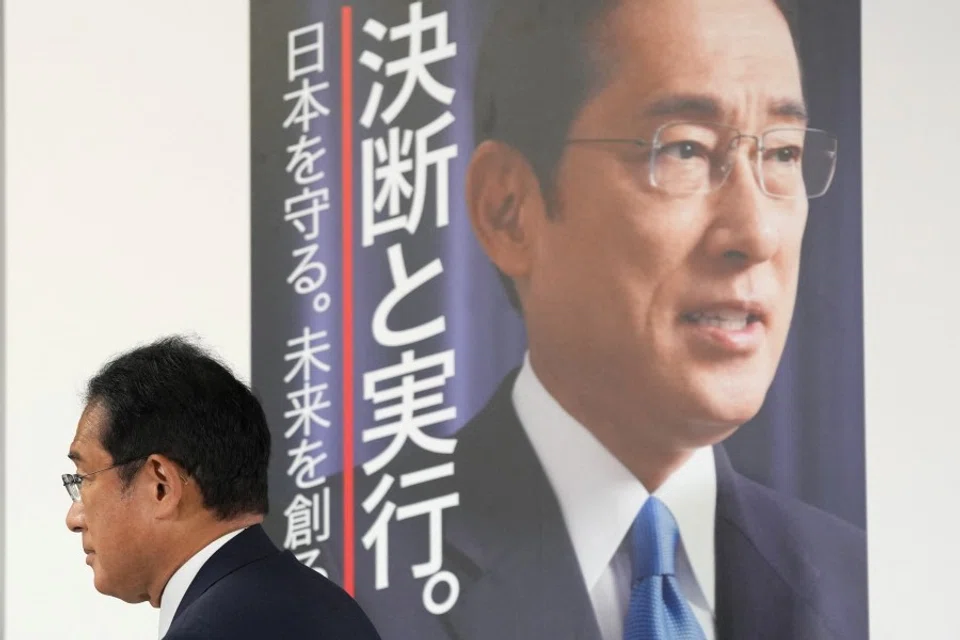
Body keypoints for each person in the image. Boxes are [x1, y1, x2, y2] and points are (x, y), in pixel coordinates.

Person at [320, 0, 869, 637]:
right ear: (509, 209)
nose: (757, 232)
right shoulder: (334, 571)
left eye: (782, 153)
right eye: (685, 149)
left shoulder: (864, 584)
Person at [63, 336, 383, 640]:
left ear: (161, 486)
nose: (73, 518)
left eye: (84, 478)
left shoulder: (211, 629)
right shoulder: (325, 605)